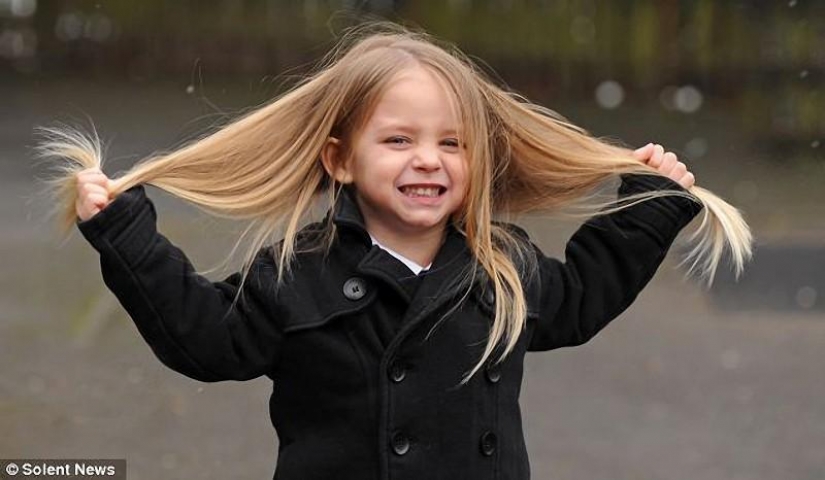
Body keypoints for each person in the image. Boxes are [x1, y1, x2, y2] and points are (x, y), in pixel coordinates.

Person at [39, 22, 751, 480]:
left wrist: (648, 206)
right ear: (340, 159)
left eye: (451, 143)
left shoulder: (499, 266)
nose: (428, 162)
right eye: (399, 140)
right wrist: (127, 236)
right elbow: (207, 340)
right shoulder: (298, 272)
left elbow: (581, 299)